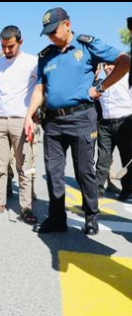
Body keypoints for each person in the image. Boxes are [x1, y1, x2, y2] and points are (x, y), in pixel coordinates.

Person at [24, 7, 130, 235]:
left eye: (54, 30)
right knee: (54, 172)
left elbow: (124, 61)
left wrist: (101, 87)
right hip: (52, 122)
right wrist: (29, 115)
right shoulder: (45, 56)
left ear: (67, 24)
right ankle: (57, 218)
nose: (51, 35)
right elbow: (40, 87)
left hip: (82, 117)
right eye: (48, 32)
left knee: (84, 171)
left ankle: (91, 216)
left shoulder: (86, 45)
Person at [0, 26, 38, 224]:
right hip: (0, 121)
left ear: (20, 42)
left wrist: (34, 113)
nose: (6, 51)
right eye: (3, 46)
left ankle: (26, 207)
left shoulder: (32, 62)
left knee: (25, 167)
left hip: (22, 120)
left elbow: (41, 88)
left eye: (10, 46)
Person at [96, 62, 132, 200]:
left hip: (125, 123)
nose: (107, 68)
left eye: (110, 65)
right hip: (105, 125)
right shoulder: (100, 83)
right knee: (102, 159)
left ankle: (127, 190)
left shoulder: (127, 78)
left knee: (127, 159)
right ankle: (98, 190)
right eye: (104, 65)